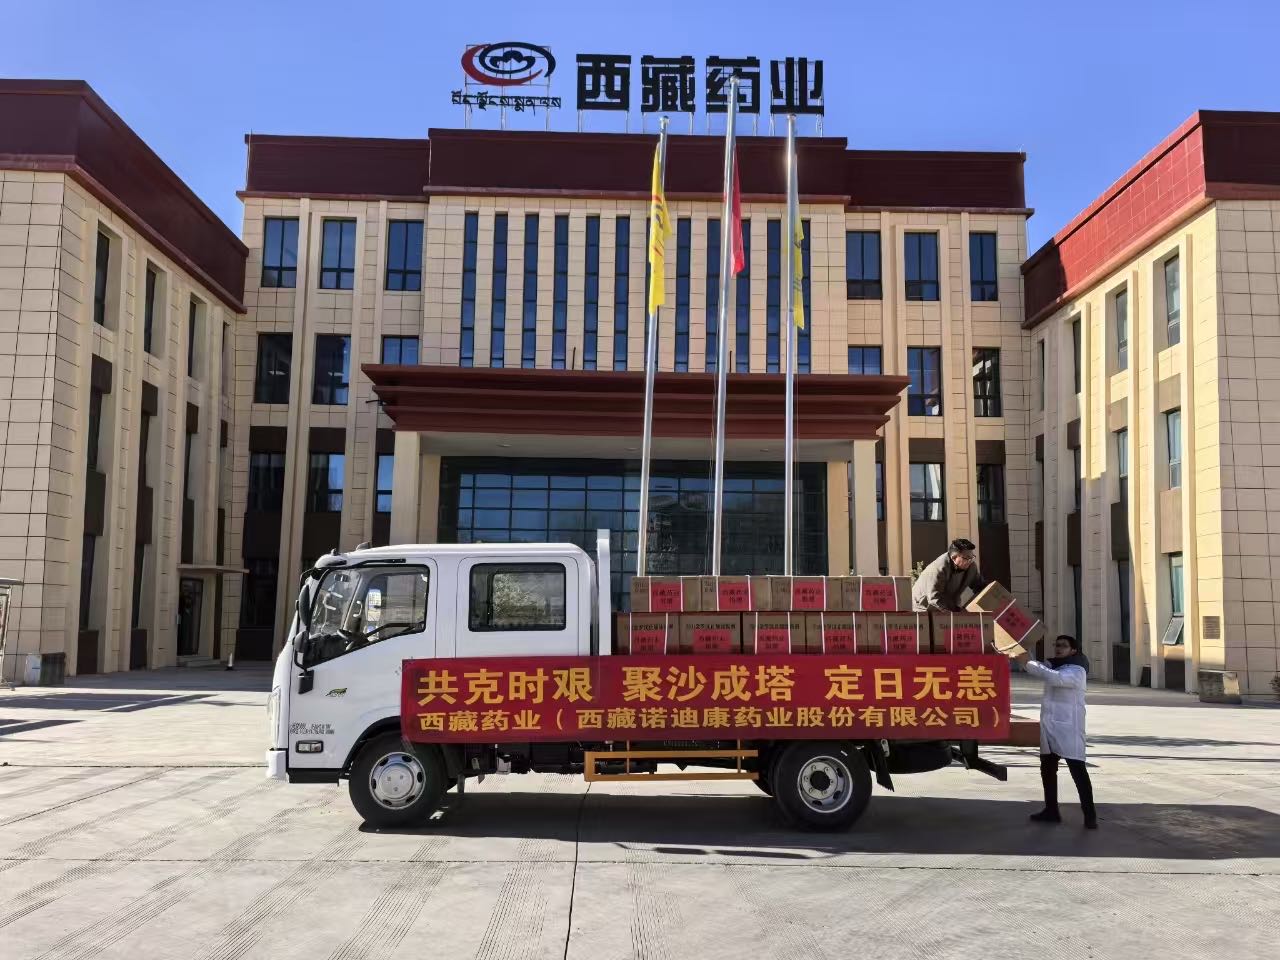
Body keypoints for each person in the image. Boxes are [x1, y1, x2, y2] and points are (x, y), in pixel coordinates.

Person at [1017, 634, 1097, 829]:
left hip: (1068, 728)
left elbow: (1054, 678)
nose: (1058, 648)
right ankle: (1051, 810)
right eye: (1057, 645)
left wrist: (1027, 661)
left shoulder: (1076, 670)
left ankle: (1090, 816)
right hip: (1050, 726)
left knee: (1078, 771)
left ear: (1073, 650)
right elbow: (1040, 668)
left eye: (1063, 646)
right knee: (1047, 769)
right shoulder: (1056, 665)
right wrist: (1022, 652)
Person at [911, 538, 986, 612]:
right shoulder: (939, 568)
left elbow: (981, 587)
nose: (970, 561)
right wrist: (954, 615)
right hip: (922, 608)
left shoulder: (971, 567)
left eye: (972, 557)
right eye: (966, 558)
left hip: (947, 606)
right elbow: (935, 600)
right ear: (954, 557)